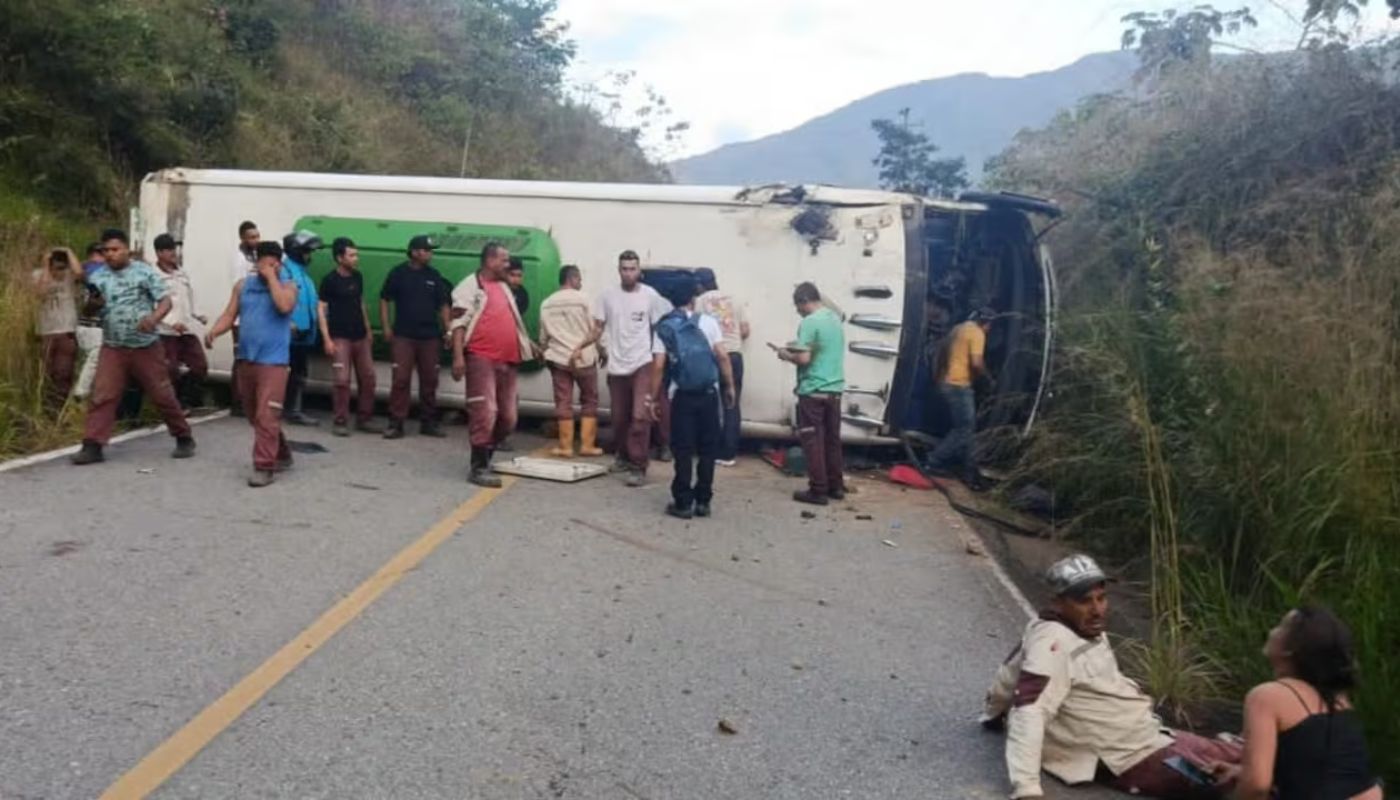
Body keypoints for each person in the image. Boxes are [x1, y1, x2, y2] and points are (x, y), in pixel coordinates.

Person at [982, 554, 1243, 800]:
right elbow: (1029, 709)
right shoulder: (1053, 644)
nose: (1097, 610)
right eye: (1085, 601)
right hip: (1129, 756)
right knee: (1240, 785)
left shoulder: (1081, 629)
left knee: (1246, 755)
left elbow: (1011, 671)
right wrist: (1027, 789)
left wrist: (993, 711)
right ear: (1057, 602)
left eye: (1101, 598)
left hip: (1153, 733)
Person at [1210, 608, 1382, 800]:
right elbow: (1321, 769)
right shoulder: (1338, 699)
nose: (1272, 631)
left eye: (1280, 626)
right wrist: (1244, 772)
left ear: (1290, 649)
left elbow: (1257, 786)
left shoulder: (1266, 696)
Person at [70, 229, 196, 465]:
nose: (110, 254)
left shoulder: (143, 272)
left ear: (127, 249)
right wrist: (93, 305)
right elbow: (88, 311)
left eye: (115, 249)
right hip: (113, 346)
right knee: (103, 395)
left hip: (144, 345)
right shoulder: (99, 278)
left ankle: (183, 436)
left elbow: (166, 301)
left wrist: (154, 319)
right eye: (106, 250)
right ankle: (93, 445)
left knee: (161, 394)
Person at [205, 240, 299, 487]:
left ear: (279, 263)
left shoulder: (289, 287)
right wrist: (215, 330)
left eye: (271, 262)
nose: (266, 266)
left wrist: (271, 280)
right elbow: (230, 314)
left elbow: (284, 306)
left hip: (274, 362)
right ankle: (282, 452)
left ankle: (264, 466)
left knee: (266, 414)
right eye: (262, 261)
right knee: (253, 414)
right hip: (247, 359)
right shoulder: (243, 286)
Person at [649, 277, 736, 519]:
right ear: (693, 298)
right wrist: (729, 386)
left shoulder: (664, 327)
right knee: (708, 448)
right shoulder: (708, 322)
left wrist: (652, 398)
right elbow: (722, 356)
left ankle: (683, 502)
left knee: (683, 448)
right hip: (709, 394)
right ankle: (703, 501)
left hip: (682, 396)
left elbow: (658, 366)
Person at [449, 242, 536, 487]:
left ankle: (486, 455)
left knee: (508, 418)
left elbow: (511, 321)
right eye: (504, 260)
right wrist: (458, 357)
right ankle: (478, 467)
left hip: (508, 360)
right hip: (481, 357)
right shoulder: (469, 287)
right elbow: (457, 325)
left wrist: (528, 345)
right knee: (485, 412)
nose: (508, 265)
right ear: (490, 261)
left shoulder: (504, 287)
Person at [585, 250, 672, 487]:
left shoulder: (650, 296)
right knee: (619, 417)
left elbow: (660, 328)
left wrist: (659, 359)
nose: (628, 273)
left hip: (642, 362)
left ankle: (638, 466)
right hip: (617, 365)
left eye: (632, 268)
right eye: (624, 268)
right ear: (618, 270)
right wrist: (581, 346)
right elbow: (598, 327)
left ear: (639, 271)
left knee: (639, 416)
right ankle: (622, 456)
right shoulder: (607, 296)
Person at [775, 282, 846, 505]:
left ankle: (818, 490)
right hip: (834, 390)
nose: (798, 311)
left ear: (805, 301)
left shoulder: (809, 322)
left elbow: (804, 359)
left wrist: (785, 354)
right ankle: (836, 486)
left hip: (813, 390)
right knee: (832, 441)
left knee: (813, 441)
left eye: (798, 306)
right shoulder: (835, 320)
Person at [380, 234, 451, 439]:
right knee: (400, 379)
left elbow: (443, 305)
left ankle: (428, 422)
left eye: (430, 251)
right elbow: (384, 299)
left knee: (430, 380)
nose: (429, 254)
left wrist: (447, 330)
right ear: (414, 252)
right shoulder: (398, 273)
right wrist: (386, 327)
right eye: (426, 250)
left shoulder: (434, 275)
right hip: (403, 335)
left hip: (429, 337)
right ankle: (396, 423)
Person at [925, 306, 995, 491]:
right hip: (959, 385)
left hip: (945, 382)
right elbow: (976, 363)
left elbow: (940, 353)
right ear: (986, 323)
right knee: (964, 428)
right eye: (990, 325)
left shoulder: (958, 328)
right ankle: (934, 461)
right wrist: (988, 380)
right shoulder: (978, 333)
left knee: (966, 428)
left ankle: (968, 469)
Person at [538, 264, 603, 457]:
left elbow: (543, 336)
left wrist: (542, 350)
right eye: (579, 279)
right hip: (584, 357)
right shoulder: (585, 300)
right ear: (572, 279)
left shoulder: (547, 303)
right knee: (589, 400)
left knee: (563, 401)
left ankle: (565, 447)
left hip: (558, 358)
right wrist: (602, 351)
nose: (581, 282)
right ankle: (587, 445)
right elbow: (596, 329)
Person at [318, 237, 380, 437]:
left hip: (359, 336)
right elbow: (321, 310)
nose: (356, 258)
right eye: (351, 255)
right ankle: (340, 420)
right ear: (339, 257)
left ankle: (365, 418)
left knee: (368, 377)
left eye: (356, 254)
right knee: (342, 381)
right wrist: (326, 338)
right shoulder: (329, 281)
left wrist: (368, 328)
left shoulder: (358, 277)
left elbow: (360, 303)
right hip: (339, 337)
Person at [694, 267, 750, 466]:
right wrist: (731, 339)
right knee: (732, 404)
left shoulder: (700, 302)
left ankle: (709, 447)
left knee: (709, 404)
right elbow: (745, 330)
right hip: (734, 355)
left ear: (700, 284)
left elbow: (697, 332)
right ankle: (729, 453)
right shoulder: (735, 299)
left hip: (713, 357)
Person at [152, 234, 209, 411]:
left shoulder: (181, 272)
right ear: (159, 252)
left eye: (173, 249)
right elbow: (154, 304)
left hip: (186, 329)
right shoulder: (154, 276)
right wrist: (170, 322)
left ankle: (188, 399)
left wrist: (198, 314)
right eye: (168, 250)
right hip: (165, 331)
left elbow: (189, 296)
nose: (172, 253)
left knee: (199, 365)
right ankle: (173, 406)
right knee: (170, 370)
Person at [31, 246, 84, 409]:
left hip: (66, 331)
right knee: (46, 373)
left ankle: (60, 408)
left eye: (63, 268)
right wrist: (47, 266)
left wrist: (69, 251)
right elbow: (41, 292)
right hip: (46, 331)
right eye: (57, 268)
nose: (60, 272)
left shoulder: (69, 276)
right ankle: (46, 407)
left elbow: (80, 273)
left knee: (63, 373)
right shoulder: (38, 275)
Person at [281, 231, 323, 426]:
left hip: (303, 335)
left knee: (299, 372)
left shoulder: (303, 275)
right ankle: (291, 410)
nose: (310, 256)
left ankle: (293, 409)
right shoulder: (285, 272)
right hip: (289, 335)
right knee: (289, 373)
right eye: (307, 252)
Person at [228, 221, 260, 418]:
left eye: (257, 236)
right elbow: (240, 288)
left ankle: (248, 399)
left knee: (251, 359)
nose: (256, 240)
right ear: (243, 239)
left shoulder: (255, 256)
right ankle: (237, 402)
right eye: (252, 237)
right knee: (241, 360)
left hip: (253, 317)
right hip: (242, 318)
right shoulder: (240, 259)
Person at [74, 245, 107, 400]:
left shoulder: (85, 270)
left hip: (91, 324)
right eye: (99, 254)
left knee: (93, 361)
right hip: (90, 324)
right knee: (96, 355)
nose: (102, 257)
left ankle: (86, 394)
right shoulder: (92, 270)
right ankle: (81, 392)